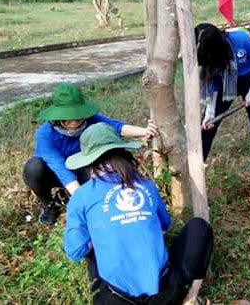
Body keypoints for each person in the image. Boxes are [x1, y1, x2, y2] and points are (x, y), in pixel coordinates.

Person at [64, 122, 213, 304]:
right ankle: (189, 297)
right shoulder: (146, 185)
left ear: (89, 162)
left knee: (91, 248)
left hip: (115, 299)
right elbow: (165, 225)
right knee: (199, 227)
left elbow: (74, 251)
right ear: (122, 152)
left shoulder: (81, 196)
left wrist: (103, 231)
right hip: (165, 294)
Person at [23, 82, 158, 225]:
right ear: (58, 117)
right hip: (55, 173)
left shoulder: (91, 120)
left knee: (103, 175)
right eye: (69, 119)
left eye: (78, 117)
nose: (75, 122)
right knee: (33, 168)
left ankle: (79, 195)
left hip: (85, 168)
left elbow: (115, 127)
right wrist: (82, 201)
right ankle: (50, 205)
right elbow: (60, 168)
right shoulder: (45, 134)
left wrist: (144, 131)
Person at [196, 23, 250, 179]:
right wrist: (210, 111)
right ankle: (196, 167)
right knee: (207, 127)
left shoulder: (241, 38)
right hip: (225, 85)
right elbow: (211, 80)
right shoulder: (208, 55)